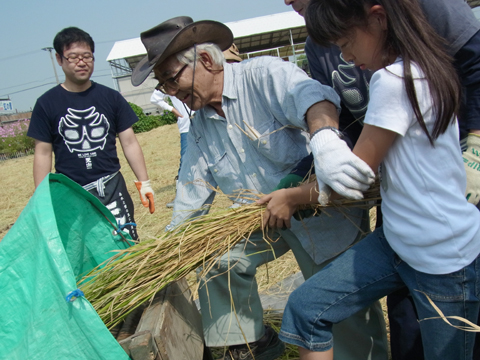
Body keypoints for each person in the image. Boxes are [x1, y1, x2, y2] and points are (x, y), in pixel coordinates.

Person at [131, 16, 388, 360]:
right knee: (215, 260)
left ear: (206, 61)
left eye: (171, 79)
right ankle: (249, 347)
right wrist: (168, 249)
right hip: (262, 220)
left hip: (321, 212)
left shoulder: (264, 76)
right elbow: (191, 190)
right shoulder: (200, 125)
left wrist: (325, 142)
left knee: (345, 317)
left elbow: (317, 100)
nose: (171, 92)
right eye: (164, 85)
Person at [271, 0, 480, 358]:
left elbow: (354, 178)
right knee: (306, 309)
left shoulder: (393, 81)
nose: (347, 57)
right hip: (397, 240)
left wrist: (292, 197)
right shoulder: (426, 67)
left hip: (443, 261)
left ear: (379, 18)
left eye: (346, 43)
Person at [27, 27, 155, 241]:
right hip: (71, 191)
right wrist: (41, 199)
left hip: (111, 186)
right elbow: (42, 153)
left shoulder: (111, 98)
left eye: (87, 56)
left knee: (125, 244)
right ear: (59, 59)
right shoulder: (46, 103)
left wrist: (145, 183)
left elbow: (130, 142)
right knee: (82, 250)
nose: (81, 62)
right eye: (73, 57)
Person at [150, 90, 192, 208]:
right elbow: (154, 98)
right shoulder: (170, 82)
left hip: (206, 122)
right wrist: (172, 109)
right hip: (186, 126)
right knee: (185, 160)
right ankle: (180, 196)